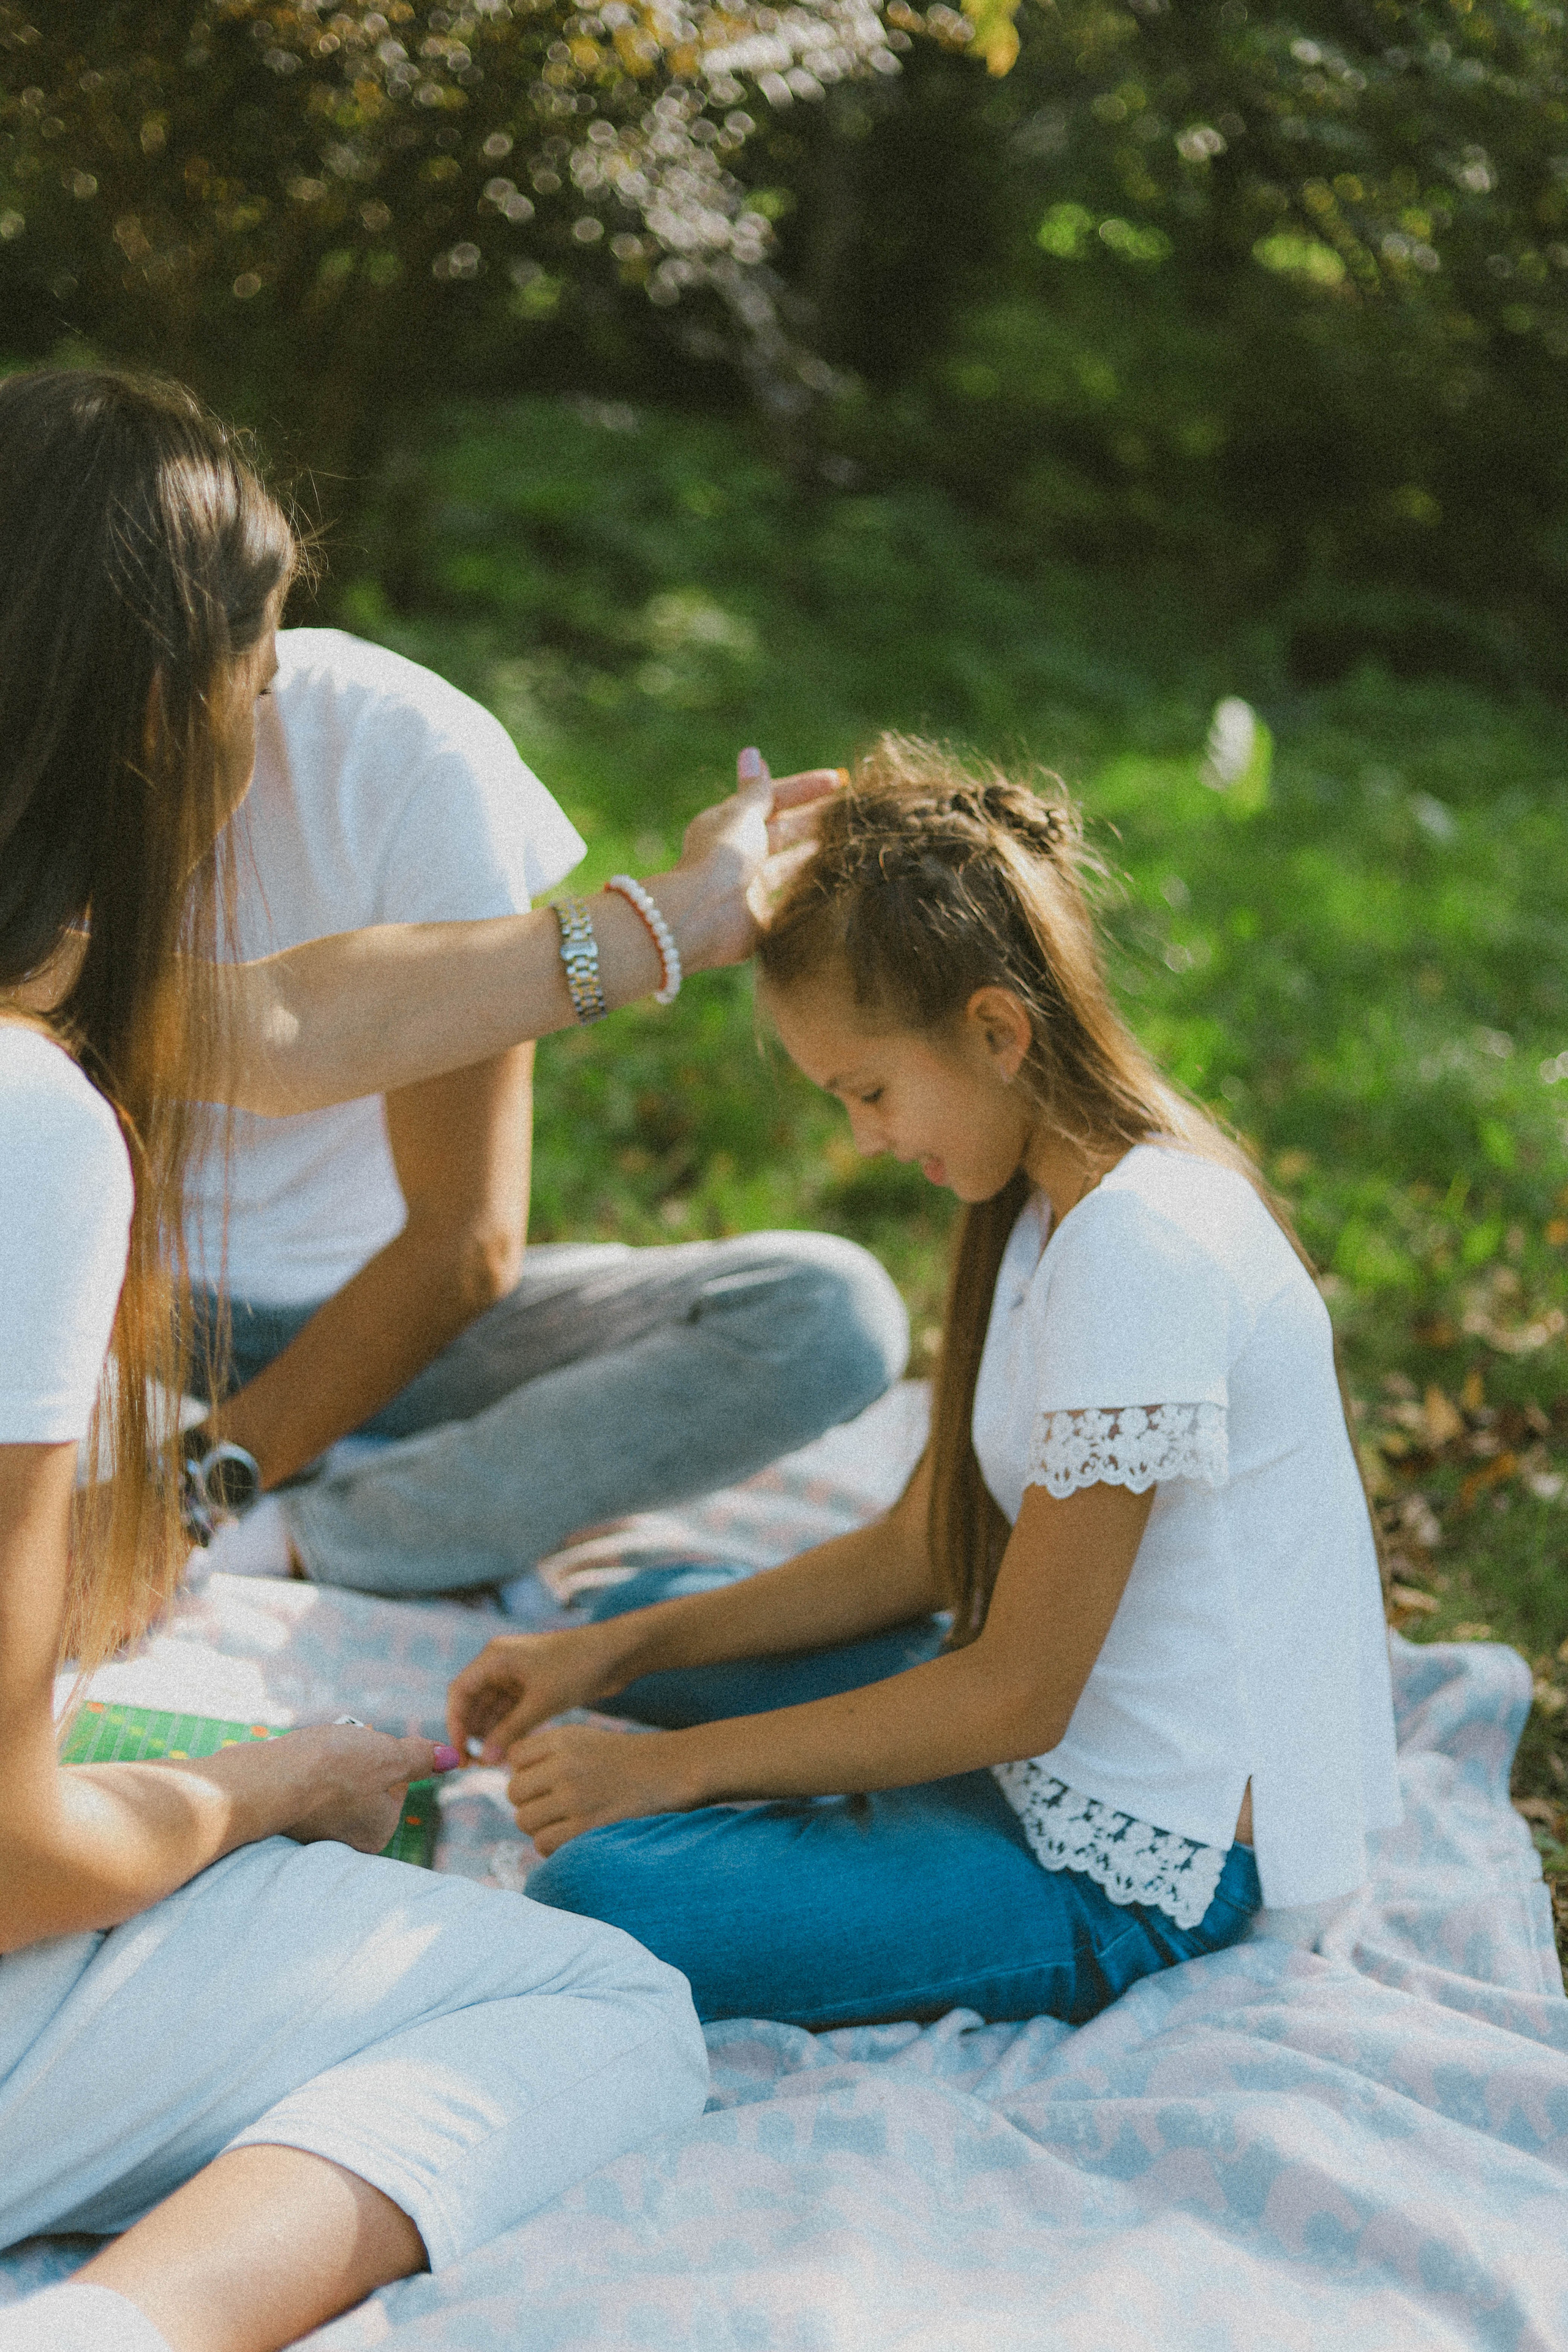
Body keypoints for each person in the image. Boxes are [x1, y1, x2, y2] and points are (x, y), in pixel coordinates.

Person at [0, 363, 853, 2350]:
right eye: (248, 658)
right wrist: (261, 1788)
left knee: (819, 1307)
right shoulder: (37, 1129)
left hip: (290, 1402)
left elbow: (285, 1028)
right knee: (599, 2000)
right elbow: (18, 1848)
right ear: (152, 712)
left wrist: (674, 919)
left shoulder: (100, 1007)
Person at [444, 737, 1404, 2031]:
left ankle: (853, 1831)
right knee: (654, 1613)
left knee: (612, 1896)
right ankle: (786, 1768)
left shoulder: (1143, 1244)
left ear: (996, 1031)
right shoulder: (1042, 1206)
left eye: (871, 1091)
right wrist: (604, 1649)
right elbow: (920, 1549)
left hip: (1143, 1857)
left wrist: (664, 1776)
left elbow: (1015, 1697)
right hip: (1031, 1744)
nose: (864, 1139)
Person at [178, 626, 907, 1599]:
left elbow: (463, 1243)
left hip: (379, 1327)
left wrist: (196, 1490)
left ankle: (312, 1531)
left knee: (826, 1315)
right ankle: (397, 1489)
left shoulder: (405, 753)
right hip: (105, 1319)